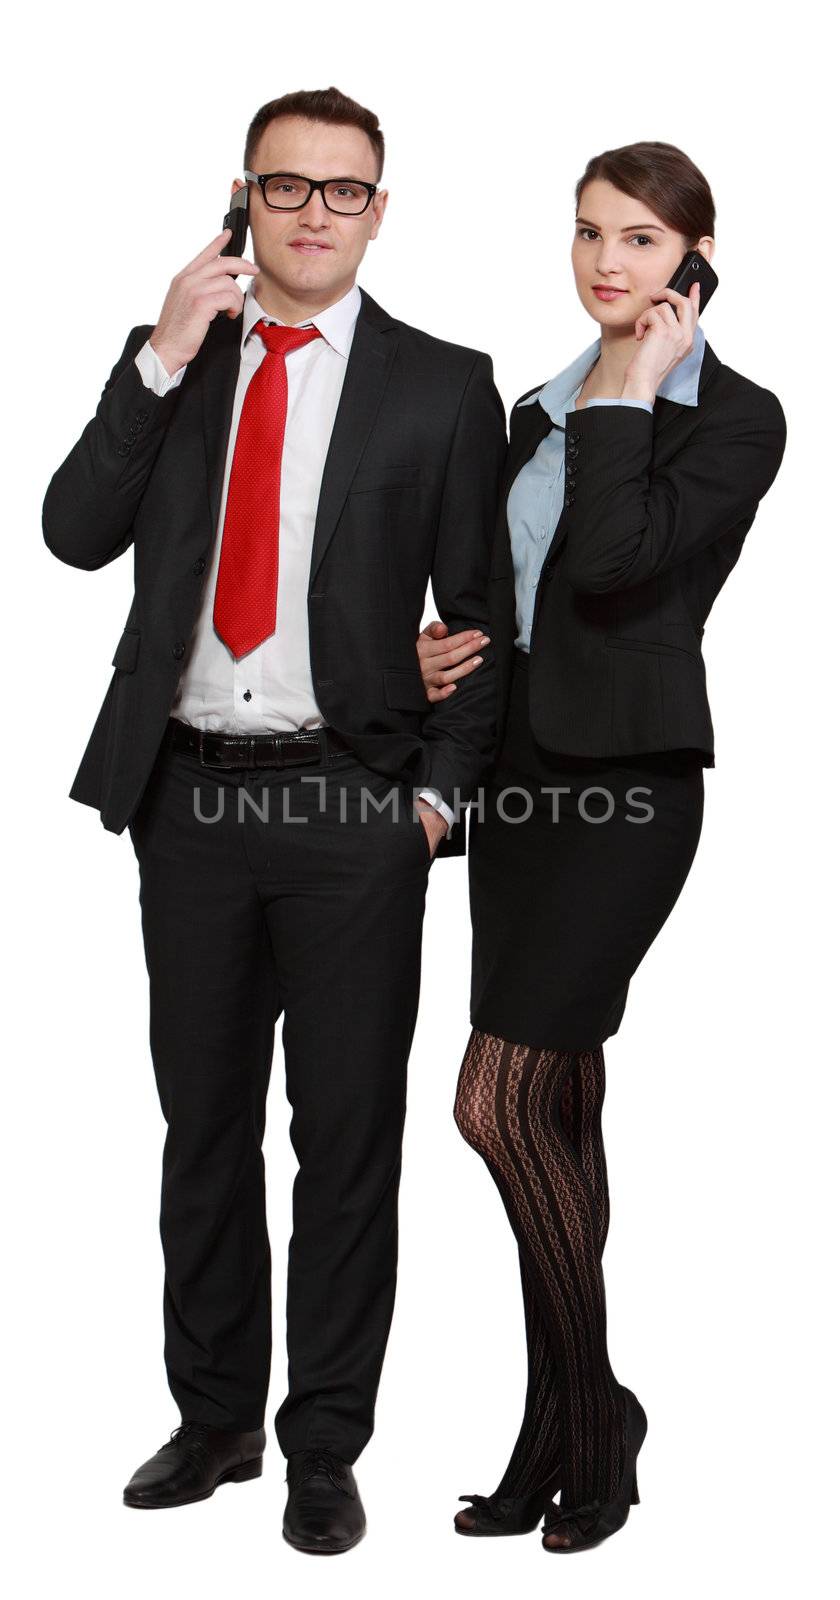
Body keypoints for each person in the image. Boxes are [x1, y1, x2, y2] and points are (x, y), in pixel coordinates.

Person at [42, 86, 506, 1553]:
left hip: (350, 809)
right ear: (241, 198)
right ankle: (216, 1418)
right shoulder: (180, 369)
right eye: (287, 187)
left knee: (348, 1134)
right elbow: (72, 530)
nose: (315, 212)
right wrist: (162, 351)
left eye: (344, 190)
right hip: (185, 799)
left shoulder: (441, 385)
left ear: (381, 208)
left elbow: (483, 625)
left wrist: (431, 804)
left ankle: (324, 1445)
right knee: (203, 1130)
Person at [416, 141, 786, 1553]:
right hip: (516, 793)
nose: (606, 264)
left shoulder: (736, 419)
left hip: (627, 797)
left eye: (639, 239)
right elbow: (514, 598)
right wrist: (445, 651)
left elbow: (623, 566)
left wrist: (630, 388)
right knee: (556, 1112)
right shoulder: (535, 405)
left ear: (693, 258)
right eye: (587, 235)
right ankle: (556, 1421)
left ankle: (597, 1417)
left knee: (493, 1105)